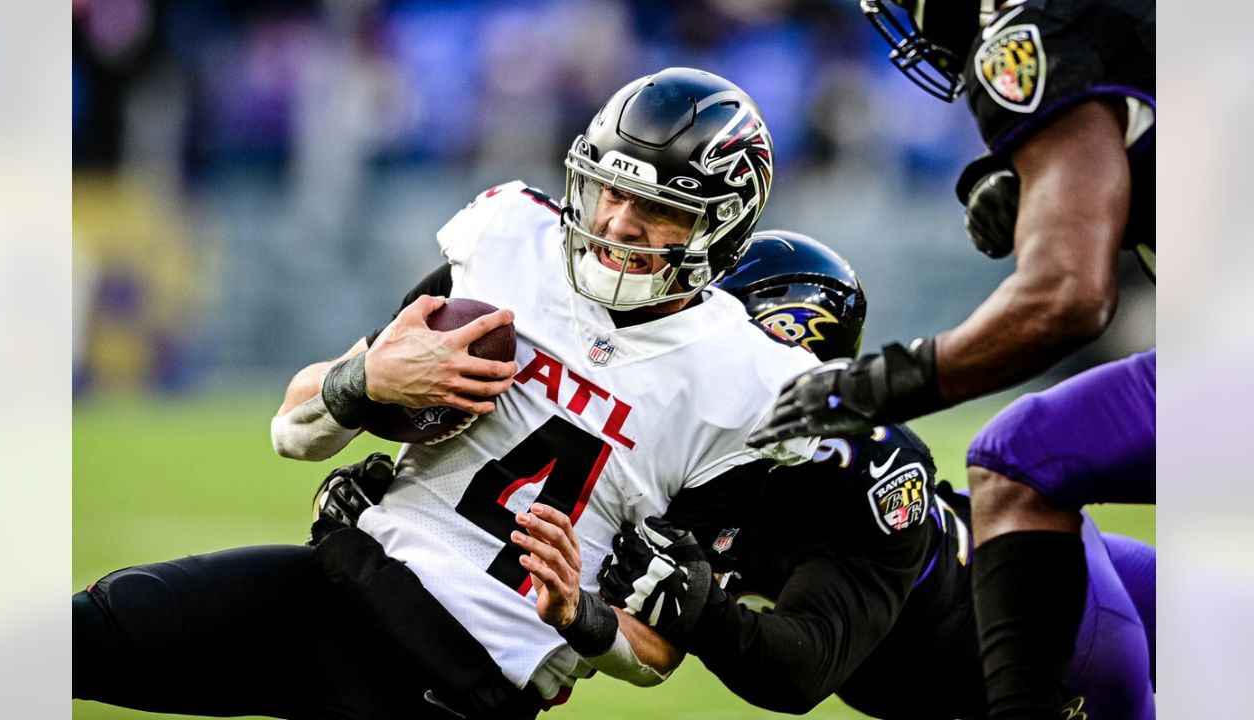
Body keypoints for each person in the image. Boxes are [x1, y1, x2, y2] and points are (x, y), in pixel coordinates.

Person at [73, 67, 821, 717]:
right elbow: (292, 431)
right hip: (331, 585)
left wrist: (579, 614)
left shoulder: (744, 384)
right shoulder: (509, 247)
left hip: (454, 684)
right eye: (607, 192)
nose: (615, 224)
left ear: (720, 227)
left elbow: (658, 650)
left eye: (657, 209)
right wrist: (363, 383)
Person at [516, 230, 1156, 719]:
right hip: (939, 669)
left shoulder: (864, 469)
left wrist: (705, 613)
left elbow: (805, 666)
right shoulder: (684, 444)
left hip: (1072, 631)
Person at [747, 2, 1155, 717]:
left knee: (1019, 455)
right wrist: (1116, 185)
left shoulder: (1033, 26)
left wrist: (880, 384)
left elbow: (1067, 298)